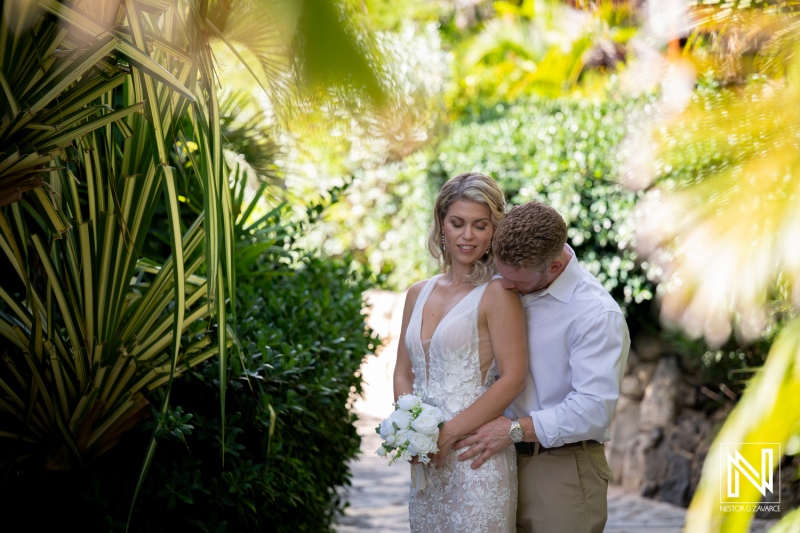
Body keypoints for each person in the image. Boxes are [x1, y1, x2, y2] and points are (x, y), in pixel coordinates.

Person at [456, 201, 630, 533]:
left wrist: (512, 430)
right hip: (495, 465)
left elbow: (592, 410)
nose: (504, 286)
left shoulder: (595, 314)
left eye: (516, 281)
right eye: (501, 274)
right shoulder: (511, 277)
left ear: (553, 266)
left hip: (561, 472)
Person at [393, 172, 528, 533]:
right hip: (427, 462)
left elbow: (514, 378)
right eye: (457, 223)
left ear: (494, 231)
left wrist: (448, 433)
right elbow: (403, 372)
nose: (467, 236)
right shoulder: (416, 293)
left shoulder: (499, 294)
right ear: (441, 224)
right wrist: (409, 435)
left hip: (474, 457)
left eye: (480, 226)